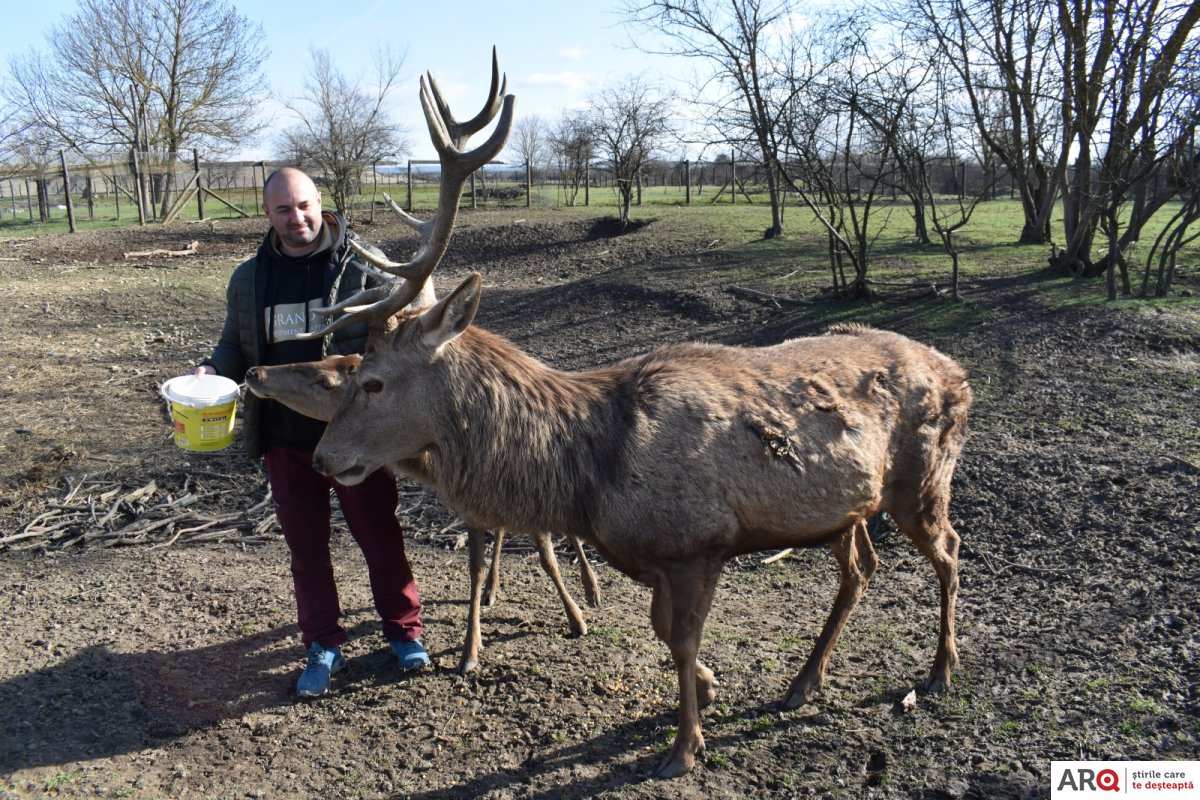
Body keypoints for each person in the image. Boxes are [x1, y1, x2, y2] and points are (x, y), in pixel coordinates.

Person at [192, 167, 429, 697]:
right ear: (267, 213)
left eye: (303, 206)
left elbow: (402, 345)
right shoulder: (249, 279)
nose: (296, 218)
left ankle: (403, 631)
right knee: (307, 549)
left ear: (321, 203)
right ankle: (323, 643)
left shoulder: (367, 270)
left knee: (380, 536)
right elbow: (236, 345)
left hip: (357, 438)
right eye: (283, 209)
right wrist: (213, 370)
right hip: (285, 438)